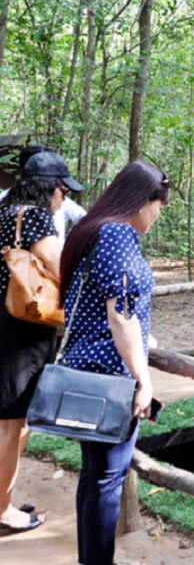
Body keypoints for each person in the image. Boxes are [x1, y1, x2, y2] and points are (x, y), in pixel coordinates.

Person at [59, 160, 169, 565]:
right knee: (106, 479)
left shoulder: (92, 229)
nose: (159, 216)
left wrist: (144, 337)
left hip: (89, 369)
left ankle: (92, 558)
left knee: (95, 477)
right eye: (160, 206)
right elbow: (119, 313)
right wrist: (144, 379)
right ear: (144, 201)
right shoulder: (118, 234)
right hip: (110, 375)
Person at [0, 151, 83, 533]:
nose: (64, 197)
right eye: (63, 189)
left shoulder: (3, 210)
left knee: (14, 422)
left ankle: (4, 497)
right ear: (48, 186)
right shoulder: (32, 216)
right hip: (22, 332)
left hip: (8, 325)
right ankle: (2, 510)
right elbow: (59, 264)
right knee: (12, 425)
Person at [0, 145, 87, 244]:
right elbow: (52, 258)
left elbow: (84, 219)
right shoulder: (34, 214)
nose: (63, 197)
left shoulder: (7, 203)